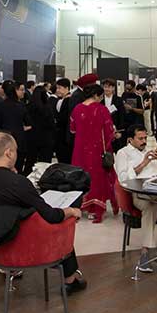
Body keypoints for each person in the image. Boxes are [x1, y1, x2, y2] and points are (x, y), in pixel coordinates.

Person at [0, 132, 86, 293]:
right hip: (28, 246)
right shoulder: (19, 183)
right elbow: (52, 216)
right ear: (9, 153)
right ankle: (70, 279)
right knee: (63, 222)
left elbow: (2, 207)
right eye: (16, 151)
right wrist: (72, 211)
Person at [114, 127, 157, 271]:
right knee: (150, 206)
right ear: (130, 140)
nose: (144, 141)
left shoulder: (150, 151)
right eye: (140, 138)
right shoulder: (123, 153)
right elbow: (123, 179)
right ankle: (145, 252)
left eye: (145, 138)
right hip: (138, 193)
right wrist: (144, 163)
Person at [69, 84, 117, 223]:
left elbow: (72, 129)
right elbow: (109, 131)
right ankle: (95, 209)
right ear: (96, 95)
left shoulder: (77, 109)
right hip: (97, 150)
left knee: (80, 176)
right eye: (101, 96)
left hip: (80, 149)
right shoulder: (101, 109)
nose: (101, 99)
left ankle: (81, 205)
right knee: (96, 176)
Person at [0, 80, 31, 172]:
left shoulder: (0, 106)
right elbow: (28, 122)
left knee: (4, 165)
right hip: (19, 139)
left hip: (4, 139)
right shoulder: (21, 106)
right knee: (18, 165)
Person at [26, 83, 56, 166]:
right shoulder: (47, 108)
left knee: (30, 161)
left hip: (32, 137)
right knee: (45, 163)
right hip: (46, 138)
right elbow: (51, 124)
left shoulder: (28, 107)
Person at [53, 78, 74, 163]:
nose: (57, 90)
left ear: (66, 88)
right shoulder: (62, 99)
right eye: (57, 88)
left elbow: (63, 119)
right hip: (63, 136)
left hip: (64, 137)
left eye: (59, 88)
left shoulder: (68, 100)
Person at [101, 79, 125, 152]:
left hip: (115, 130)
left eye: (109, 87)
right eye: (105, 87)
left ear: (113, 88)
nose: (107, 89)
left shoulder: (118, 100)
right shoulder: (100, 100)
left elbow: (122, 116)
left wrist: (120, 131)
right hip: (103, 131)